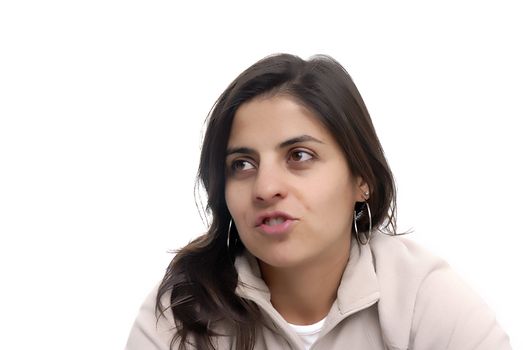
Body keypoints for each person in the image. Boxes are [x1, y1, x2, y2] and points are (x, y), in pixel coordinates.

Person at [125, 54, 511, 350]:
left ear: (362, 180)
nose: (265, 187)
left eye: (299, 156)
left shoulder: (424, 300)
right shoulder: (182, 312)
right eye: (241, 164)